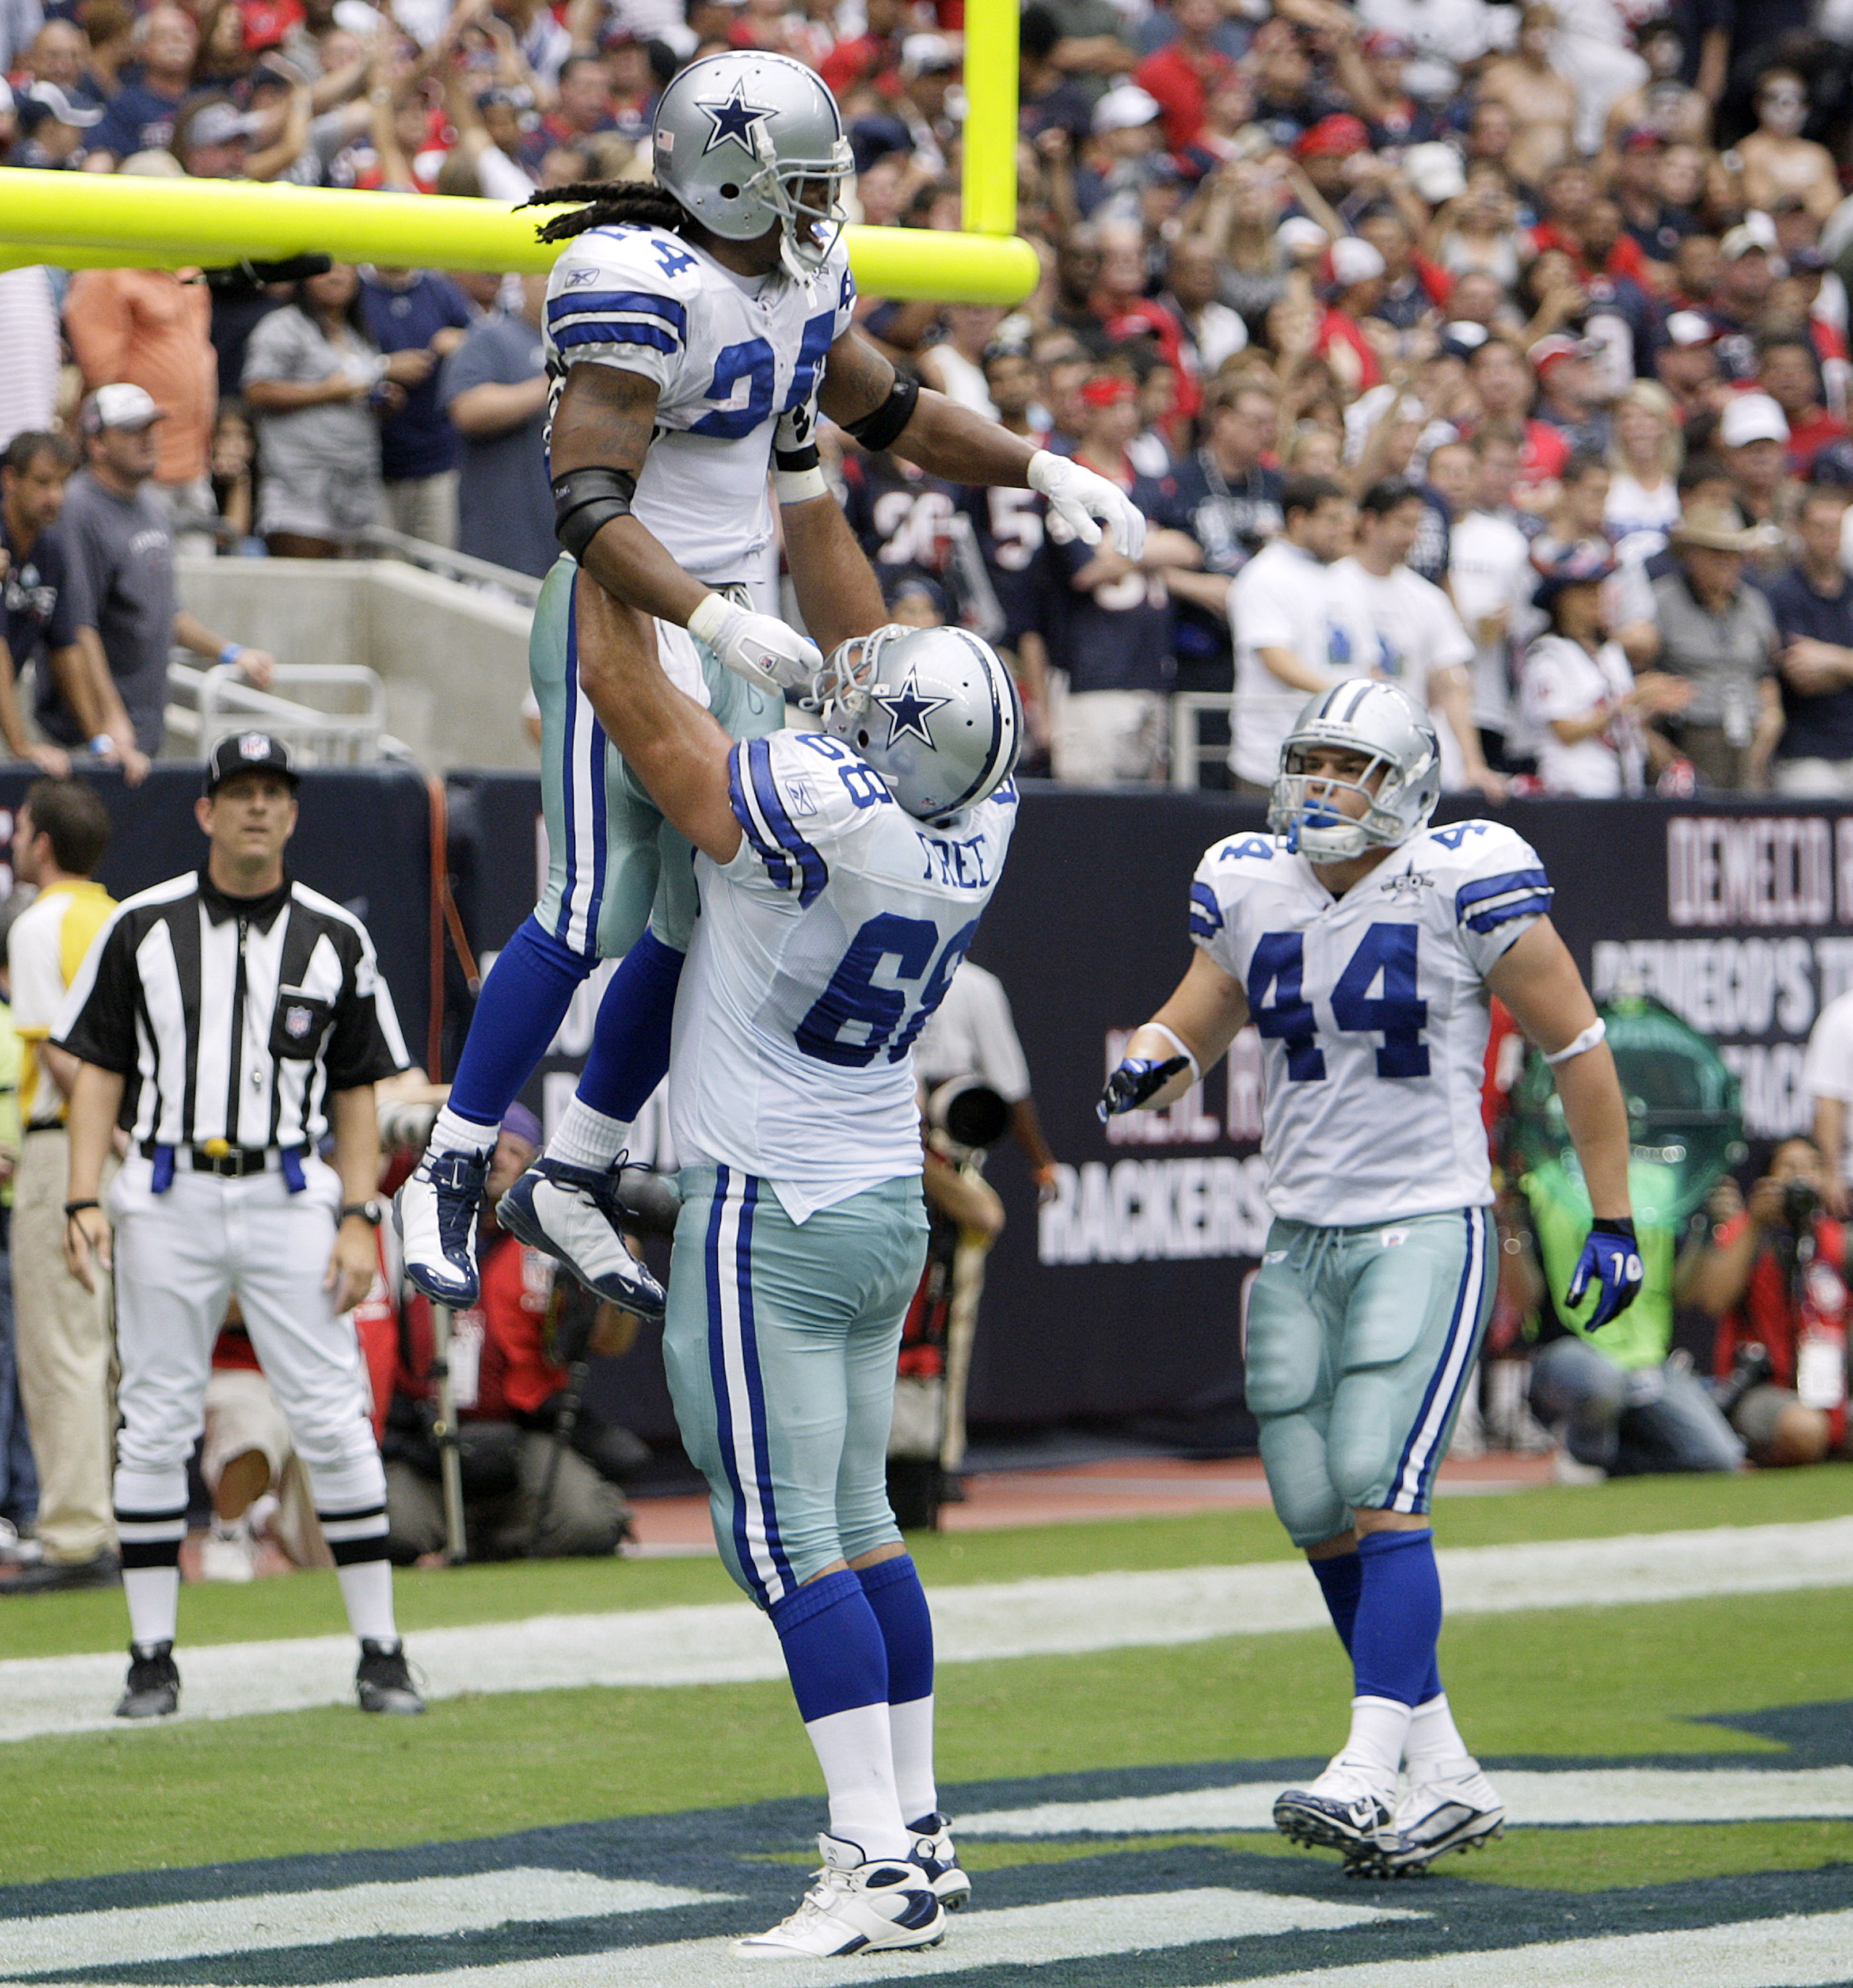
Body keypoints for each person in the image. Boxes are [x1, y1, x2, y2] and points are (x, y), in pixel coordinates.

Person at [395, 49, 1141, 1311]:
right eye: (798, 183)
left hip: (737, 619)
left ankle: (574, 1169)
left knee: (702, 920)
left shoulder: (796, 284)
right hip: (625, 610)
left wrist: (1039, 469)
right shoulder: (639, 283)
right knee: (592, 906)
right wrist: (708, 619)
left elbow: (893, 409)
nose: (820, 208)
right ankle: (450, 1164)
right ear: (730, 183)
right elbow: (584, 504)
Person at [1102, 679, 1639, 1877]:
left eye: (1350, 768)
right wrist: (1151, 1062)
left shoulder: (1460, 877)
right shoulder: (1249, 881)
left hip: (1422, 1222)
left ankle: (1365, 1763)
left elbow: (1578, 1047)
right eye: (1313, 763)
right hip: (1300, 1230)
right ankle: (1442, 1771)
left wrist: (1611, 1215)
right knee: (1311, 1503)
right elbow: (1200, 1012)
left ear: (1406, 785)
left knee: (1379, 1481)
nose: (1324, 788)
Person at [547, 587, 1016, 1955]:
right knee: (863, 1527)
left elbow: (638, 713)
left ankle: (868, 1862)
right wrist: (802, 468)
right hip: (881, 1204)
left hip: (773, 1209)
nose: (851, 670)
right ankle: (919, 1830)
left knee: (783, 1540)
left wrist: (615, 559)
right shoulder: (981, 811)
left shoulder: (818, 807)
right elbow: (892, 691)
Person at [56, 733, 423, 1720]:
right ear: (205, 810)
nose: (257, 807)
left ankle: (382, 1651)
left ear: (293, 814)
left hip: (291, 1193)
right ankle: (149, 1659)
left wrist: (359, 1215)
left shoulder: (335, 938)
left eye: (274, 793)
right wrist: (84, 1191)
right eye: (240, 792)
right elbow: (94, 1065)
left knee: (335, 1419)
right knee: (156, 1422)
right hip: (169, 1189)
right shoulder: (141, 926)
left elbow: (357, 1089)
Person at [387, 1107, 635, 1562]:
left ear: (532, 1163)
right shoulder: (412, 1223)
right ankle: (485, 1532)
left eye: (513, 1150)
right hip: (429, 1434)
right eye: (489, 1149)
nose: (498, 1160)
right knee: (389, 1532)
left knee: (589, 1525)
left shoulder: (556, 1239)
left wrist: (622, 1264)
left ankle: (491, 1537)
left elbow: (609, 1343)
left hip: (523, 1435)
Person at [0, 779, 117, 1595]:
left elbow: (62, 1055)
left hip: (66, 1152)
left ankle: (77, 1536)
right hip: (126, 1154)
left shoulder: (40, 923)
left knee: (60, 1346)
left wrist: (104, 1134)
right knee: (102, 1347)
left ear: (41, 843)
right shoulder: (121, 919)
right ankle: (100, 1519)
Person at [50, 386, 276, 767]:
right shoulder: (77, 508)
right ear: (97, 443)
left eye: (151, 428)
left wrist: (232, 652)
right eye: (131, 430)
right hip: (91, 736)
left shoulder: (153, 508)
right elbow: (77, 625)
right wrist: (108, 720)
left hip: (143, 724)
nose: (148, 439)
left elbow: (166, 613)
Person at [1325, 478, 1506, 802]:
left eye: (1417, 526)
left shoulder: (1427, 598)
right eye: (1403, 524)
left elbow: (1453, 685)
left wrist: (1473, 763)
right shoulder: (1328, 586)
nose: (1413, 536)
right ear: (1370, 522)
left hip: (1406, 760)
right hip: (1340, 756)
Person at [242, 265, 433, 557]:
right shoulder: (282, 325)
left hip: (355, 490)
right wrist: (325, 392)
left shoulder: (356, 333)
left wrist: (382, 403)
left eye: (347, 269)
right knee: (305, 591)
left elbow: (352, 395)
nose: (337, 276)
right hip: (301, 488)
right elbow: (256, 391)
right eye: (325, 270)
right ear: (304, 278)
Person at [1679, 1140, 1840, 1467]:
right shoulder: (1745, 1230)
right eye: (1790, 1169)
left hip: (1829, 1386)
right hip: (1761, 1386)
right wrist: (1755, 1223)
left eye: (1812, 1167)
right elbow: (1713, 1301)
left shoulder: (1834, 1239)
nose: (1802, 1178)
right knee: (1805, 1430)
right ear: (1768, 1180)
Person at [1226, 474, 1356, 799]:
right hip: (1273, 759)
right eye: (1332, 519)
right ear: (1298, 519)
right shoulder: (1264, 575)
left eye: (1346, 519)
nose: (1344, 529)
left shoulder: (1345, 575)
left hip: (1340, 755)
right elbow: (1277, 660)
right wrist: (1349, 695)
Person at [1520, 546, 1687, 797]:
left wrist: (1651, 703)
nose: (1595, 598)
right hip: (1573, 791)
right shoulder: (1547, 654)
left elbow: (1620, 723)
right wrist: (1630, 699)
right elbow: (1565, 731)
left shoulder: (1611, 653)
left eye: (1598, 588)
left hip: (1624, 790)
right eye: (1584, 590)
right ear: (1561, 599)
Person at [1646, 506, 1782, 791]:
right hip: (1688, 733)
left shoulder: (1754, 604)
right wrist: (1649, 737)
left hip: (1751, 730)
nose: (1727, 563)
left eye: (1734, 554)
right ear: (1691, 555)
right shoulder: (1662, 602)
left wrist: (1773, 715)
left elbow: (1765, 670)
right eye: (1716, 553)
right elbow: (1643, 675)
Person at [439, 272, 555, 579]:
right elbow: (468, 410)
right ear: (523, 280)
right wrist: (554, 384)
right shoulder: (491, 337)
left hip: (567, 544)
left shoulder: (589, 347)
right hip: (502, 546)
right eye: (546, 274)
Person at [358, 266, 474, 549]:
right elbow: (332, 358)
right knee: (386, 569)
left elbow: (484, 340)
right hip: (372, 463)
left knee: (439, 565)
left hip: (438, 459)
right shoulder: (355, 289)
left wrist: (459, 342)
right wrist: (385, 367)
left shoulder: (440, 289)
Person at [0, 429, 83, 775]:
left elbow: (65, 646)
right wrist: (20, 746)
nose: (55, 497)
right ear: (9, 480)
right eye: (43, 483)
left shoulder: (51, 550)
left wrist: (101, 737)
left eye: (62, 484)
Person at [1763, 482, 1853, 796]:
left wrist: (1830, 658)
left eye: (1836, 528)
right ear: (1800, 528)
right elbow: (1802, 676)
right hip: (1805, 752)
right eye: (1820, 527)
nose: (1830, 538)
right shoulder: (1782, 592)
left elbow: (1820, 667)